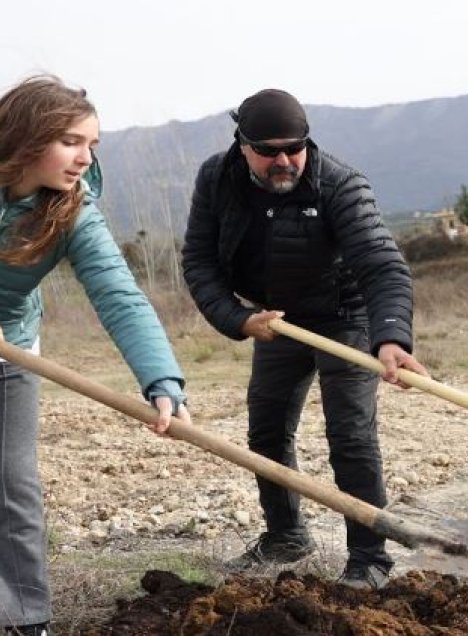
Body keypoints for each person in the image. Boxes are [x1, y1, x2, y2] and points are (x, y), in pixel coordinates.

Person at [182, 88, 427, 590]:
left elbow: (383, 266)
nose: (283, 160)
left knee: (351, 437)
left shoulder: (339, 183)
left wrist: (390, 337)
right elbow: (199, 261)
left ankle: (369, 559)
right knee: (266, 432)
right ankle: (286, 535)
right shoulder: (216, 178)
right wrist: (237, 318)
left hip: (345, 315)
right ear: (242, 146)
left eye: (294, 147)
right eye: (268, 150)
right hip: (276, 320)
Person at [0, 76, 190, 636]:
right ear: (27, 137)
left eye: (93, 145)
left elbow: (119, 294)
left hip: (11, 351)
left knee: (12, 484)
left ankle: (23, 620)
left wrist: (161, 379)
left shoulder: (73, 213)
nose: (85, 158)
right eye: (71, 141)